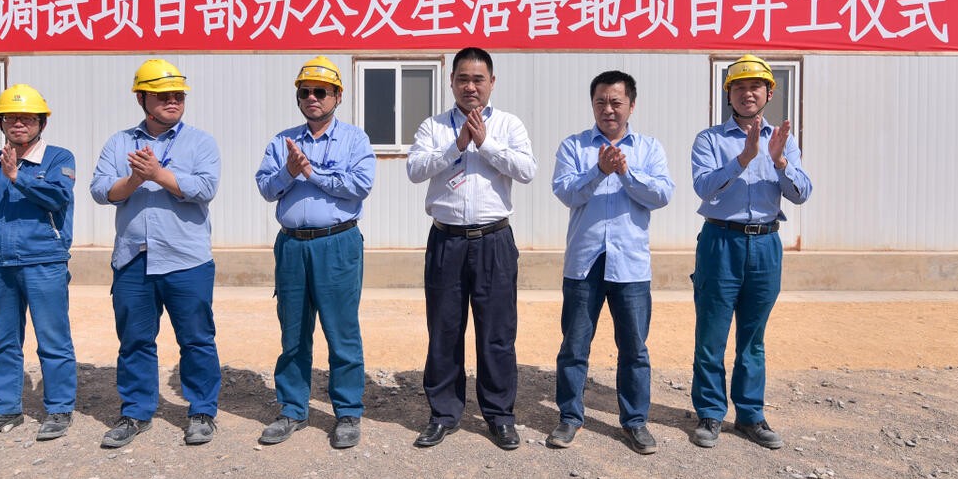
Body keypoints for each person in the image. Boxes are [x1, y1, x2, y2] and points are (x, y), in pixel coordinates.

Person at [407, 46, 536, 450]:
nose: (470, 87)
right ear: (451, 82)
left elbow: (527, 170)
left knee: (497, 332)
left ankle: (499, 415)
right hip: (446, 240)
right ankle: (443, 414)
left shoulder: (509, 125)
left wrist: (486, 143)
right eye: (463, 78)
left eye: (478, 79)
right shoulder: (433, 127)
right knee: (444, 330)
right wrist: (457, 146)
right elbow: (415, 169)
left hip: (494, 241)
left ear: (492, 82)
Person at [90, 58, 222, 448]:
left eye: (178, 94)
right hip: (133, 258)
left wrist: (158, 175)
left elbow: (205, 188)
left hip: (186, 259)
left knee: (196, 339)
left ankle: (202, 412)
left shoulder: (200, 142)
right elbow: (100, 190)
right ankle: (135, 412)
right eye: (163, 95)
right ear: (142, 99)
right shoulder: (119, 143)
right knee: (135, 339)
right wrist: (134, 179)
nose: (173, 101)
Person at [689, 54, 812, 450]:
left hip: (765, 244)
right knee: (711, 335)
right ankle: (710, 413)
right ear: (729, 94)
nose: (747, 93)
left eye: (755, 86)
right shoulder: (710, 140)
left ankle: (750, 415)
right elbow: (704, 187)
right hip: (720, 241)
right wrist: (744, 157)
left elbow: (802, 194)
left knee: (753, 338)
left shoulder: (784, 141)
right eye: (739, 87)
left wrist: (778, 160)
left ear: (769, 93)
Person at [547, 71, 673, 453]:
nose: (608, 109)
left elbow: (662, 194)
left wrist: (625, 173)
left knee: (634, 349)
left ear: (631, 105)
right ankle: (569, 418)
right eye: (600, 102)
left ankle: (635, 422)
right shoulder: (574, 146)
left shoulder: (648, 148)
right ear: (593, 105)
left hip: (630, 264)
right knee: (574, 346)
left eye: (616, 102)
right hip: (584, 262)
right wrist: (598, 170)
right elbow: (565, 192)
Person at [254, 56, 376, 449]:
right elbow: (266, 188)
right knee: (293, 332)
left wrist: (311, 174)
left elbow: (360, 185)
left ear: (338, 96)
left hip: (337, 243)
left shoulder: (354, 140)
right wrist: (289, 171)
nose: (312, 98)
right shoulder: (282, 142)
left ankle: (347, 411)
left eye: (321, 91)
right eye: (305, 91)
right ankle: (292, 409)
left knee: (342, 331)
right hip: (292, 245)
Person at [0, 84, 77, 442]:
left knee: (53, 339)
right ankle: (5, 409)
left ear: (41, 123)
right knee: (3, 340)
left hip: (44, 261)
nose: (18, 124)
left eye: (27, 118)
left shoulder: (58, 158)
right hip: (1, 264)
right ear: (1, 123)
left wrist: (18, 177)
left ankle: (59, 409)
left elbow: (58, 196)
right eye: (10, 118)